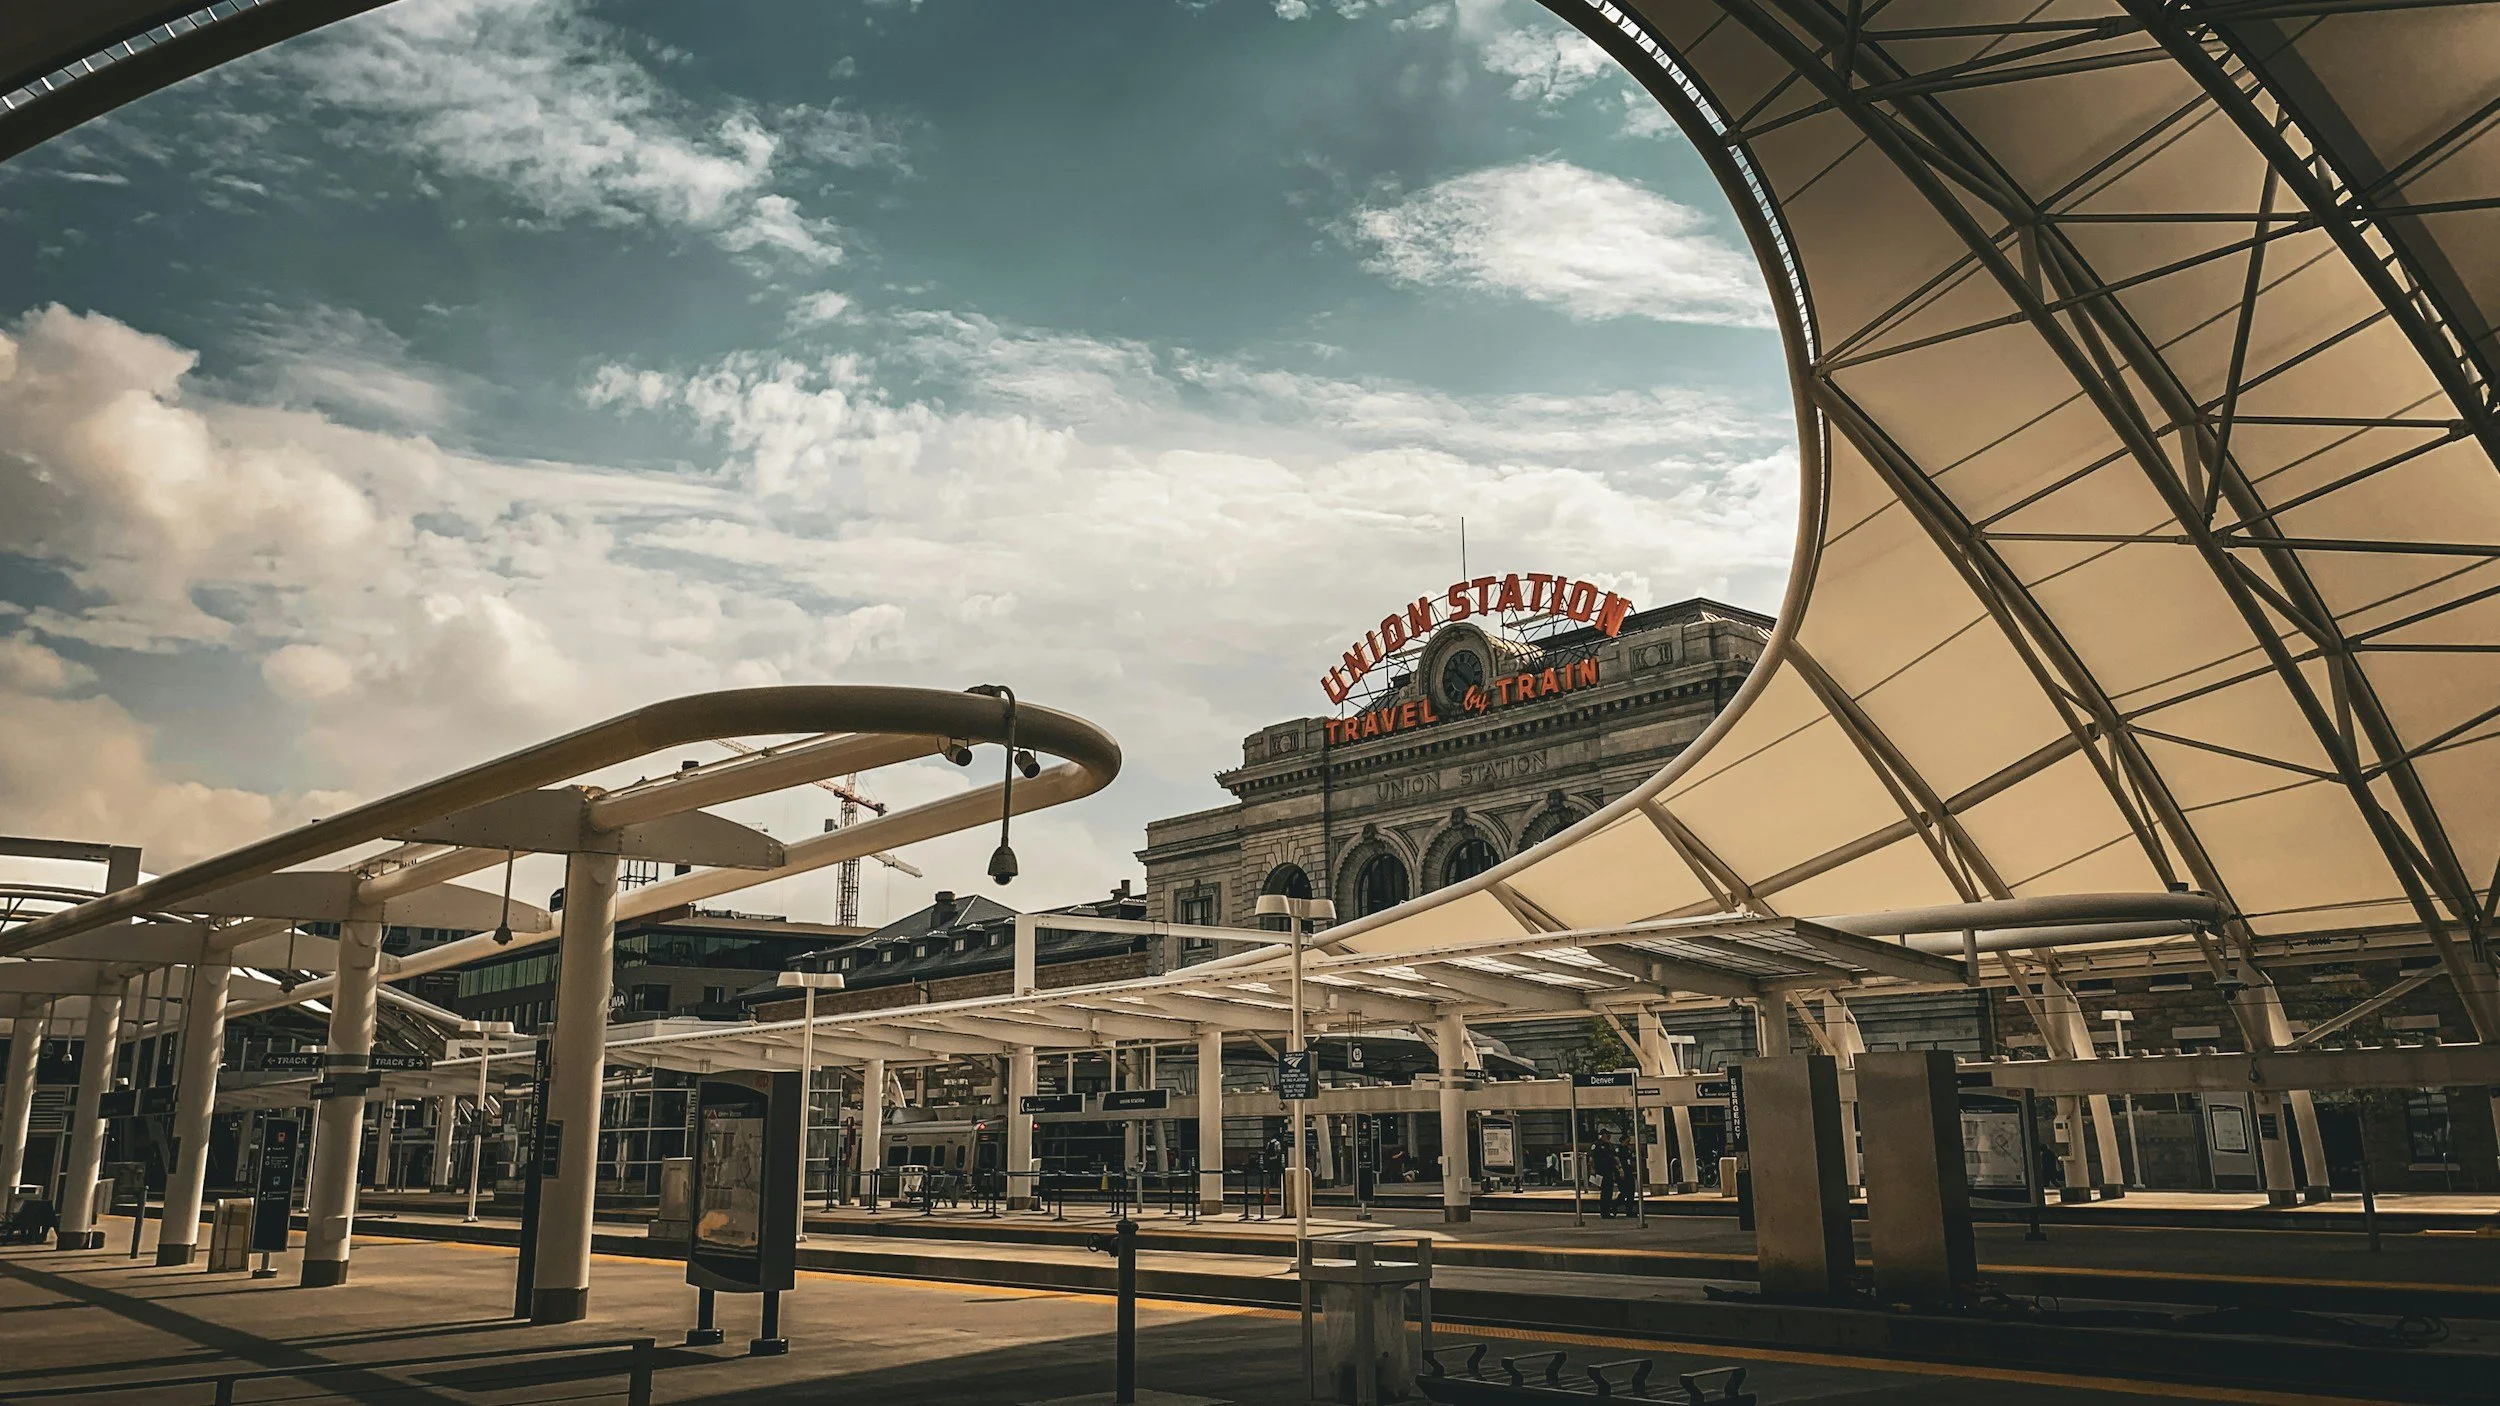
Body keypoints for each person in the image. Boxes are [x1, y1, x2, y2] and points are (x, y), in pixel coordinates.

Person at [1592, 1131, 1621, 1219]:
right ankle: (1604, 1212)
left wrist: (1618, 1167)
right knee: (1604, 1192)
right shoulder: (1597, 1145)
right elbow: (1592, 1158)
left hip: (1609, 1170)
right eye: (1607, 1135)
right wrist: (1593, 1171)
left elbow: (1614, 1157)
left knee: (1609, 1192)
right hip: (1601, 1171)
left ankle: (1607, 1211)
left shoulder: (1610, 1145)